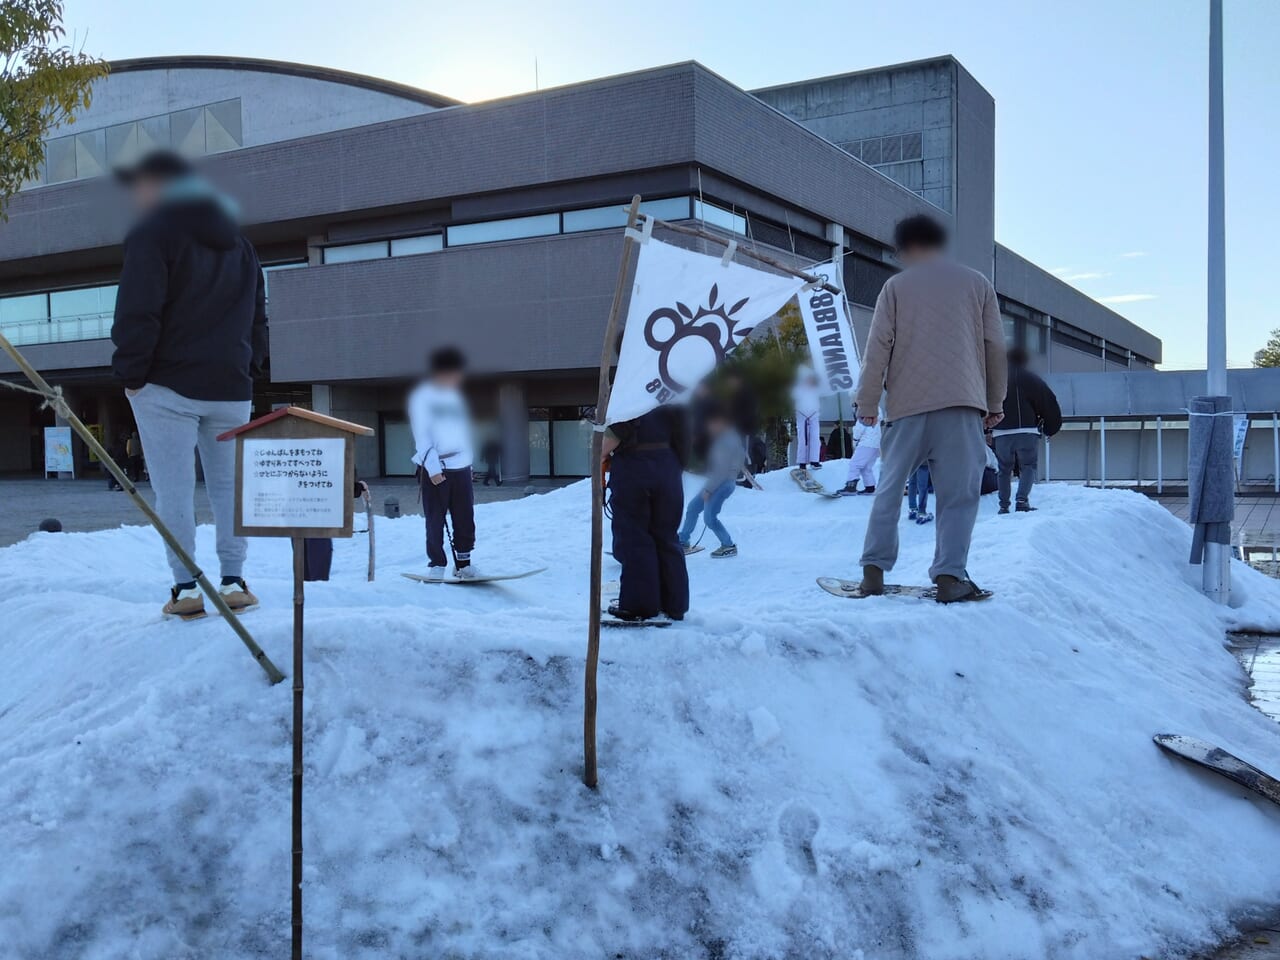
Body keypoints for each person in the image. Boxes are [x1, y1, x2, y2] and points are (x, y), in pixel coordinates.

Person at [111, 149, 266, 619]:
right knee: (228, 488)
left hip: (167, 386)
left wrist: (131, 376)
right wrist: (249, 366)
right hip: (230, 388)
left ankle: (185, 589)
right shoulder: (240, 245)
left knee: (174, 491)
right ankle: (234, 579)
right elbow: (258, 319)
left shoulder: (152, 234)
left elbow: (138, 311)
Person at [852, 214, 1007, 603]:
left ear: (905, 248)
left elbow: (878, 348)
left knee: (890, 489)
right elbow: (994, 347)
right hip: (962, 404)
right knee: (958, 495)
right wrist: (994, 401)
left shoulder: (896, 287)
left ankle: (873, 572)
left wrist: (868, 401)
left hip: (907, 407)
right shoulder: (977, 284)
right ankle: (950, 578)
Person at [602, 406, 689, 621]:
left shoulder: (633, 390)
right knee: (667, 537)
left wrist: (597, 454)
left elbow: (611, 439)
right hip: (669, 470)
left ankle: (640, 605)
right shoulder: (673, 392)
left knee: (634, 538)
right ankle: (674, 604)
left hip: (634, 469)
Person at [408, 346, 478, 579]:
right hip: (436, 467)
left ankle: (464, 564)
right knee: (436, 519)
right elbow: (422, 435)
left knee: (464, 516)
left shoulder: (456, 398)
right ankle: (437, 564)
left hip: (461, 465)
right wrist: (433, 468)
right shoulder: (423, 397)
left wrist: (470, 465)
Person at [993, 346, 1062, 513]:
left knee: (1003, 469)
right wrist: (1050, 427)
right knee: (1028, 465)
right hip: (1027, 430)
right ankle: (1022, 501)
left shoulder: (995, 380)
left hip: (1001, 431)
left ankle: (1003, 506)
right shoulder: (1032, 380)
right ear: (1024, 360)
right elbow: (1048, 401)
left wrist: (986, 427)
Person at [678, 403, 743, 558]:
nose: (709, 426)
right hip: (716, 482)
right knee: (693, 508)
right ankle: (683, 541)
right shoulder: (723, 437)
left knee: (709, 518)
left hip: (723, 483)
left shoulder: (728, 439)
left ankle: (728, 545)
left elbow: (722, 469)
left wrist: (709, 490)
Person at [792, 365, 823, 471]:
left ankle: (815, 460)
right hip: (802, 416)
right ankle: (802, 461)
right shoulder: (797, 389)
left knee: (815, 437)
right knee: (803, 439)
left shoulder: (815, 389)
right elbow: (794, 398)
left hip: (814, 415)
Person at [841, 416, 880, 494]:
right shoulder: (877, 412)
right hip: (876, 444)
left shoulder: (864, 409)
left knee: (854, 464)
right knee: (866, 467)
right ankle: (870, 488)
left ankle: (851, 487)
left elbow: (859, 428)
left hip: (866, 443)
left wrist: (855, 439)